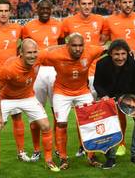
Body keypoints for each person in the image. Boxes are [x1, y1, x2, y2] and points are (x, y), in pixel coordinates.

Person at [0, 38, 60, 178]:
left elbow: (51, 49)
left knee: (45, 125)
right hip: (6, 99)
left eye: (34, 52)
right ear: (21, 53)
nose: (32, 56)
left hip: (27, 97)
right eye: (29, 53)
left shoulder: (38, 57)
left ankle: (49, 160)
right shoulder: (9, 68)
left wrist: (67, 45)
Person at [42, 33, 105, 170]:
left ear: (84, 45)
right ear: (67, 46)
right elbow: (36, 56)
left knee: (90, 122)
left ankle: (91, 156)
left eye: (80, 45)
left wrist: (132, 51)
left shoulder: (91, 51)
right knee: (61, 124)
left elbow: (109, 48)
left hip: (82, 91)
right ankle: (63, 158)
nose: (78, 49)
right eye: (74, 45)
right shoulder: (56, 54)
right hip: (62, 92)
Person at [102, 0, 135, 156]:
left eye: (130, 2)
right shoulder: (110, 20)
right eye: (124, 2)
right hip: (117, 69)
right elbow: (102, 41)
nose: (127, 5)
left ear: (133, 3)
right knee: (118, 106)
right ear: (119, 3)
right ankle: (120, 143)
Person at [0, 0, 30, 162]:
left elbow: (28, 44)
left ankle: (21, 152)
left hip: (12, 81)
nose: (3, 14)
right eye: (0, 11)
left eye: (6, 11)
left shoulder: (18, 28)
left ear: (10, 12)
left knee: (17, 117)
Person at [62, 0, 105, 157]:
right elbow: (62, 42)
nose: (87, 7)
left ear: (93, 4)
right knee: (82, 114)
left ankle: (96, 144)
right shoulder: (68, 22)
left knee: (97, 112)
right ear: (78, 5)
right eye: (83, 4)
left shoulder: (101, 20)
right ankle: (83, 145)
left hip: (96, 72)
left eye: (89, 3)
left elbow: (104, 39)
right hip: (78, 74)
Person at [93, 39, 135, 169]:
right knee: (106, 121)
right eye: (116, 54)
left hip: (130, 97)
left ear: (128, 53)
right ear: (110, 54)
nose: (120, 57)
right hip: (110, 97)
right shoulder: (101, 64)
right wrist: (104, 95)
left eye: (123, 54)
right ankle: (110, 158)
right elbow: (97, 84)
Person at [22, 0, 63, 161]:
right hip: (35, 72)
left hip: (54, 70)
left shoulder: (58, 25)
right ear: (36, 9)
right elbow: (23, 49)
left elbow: (62, 47)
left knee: (57, 111)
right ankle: (37, 149)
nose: (45, 11)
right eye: (42, 8)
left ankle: (59, 148)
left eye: (48, 8)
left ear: (51, 9)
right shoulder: (29, 27)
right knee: (34, 112)